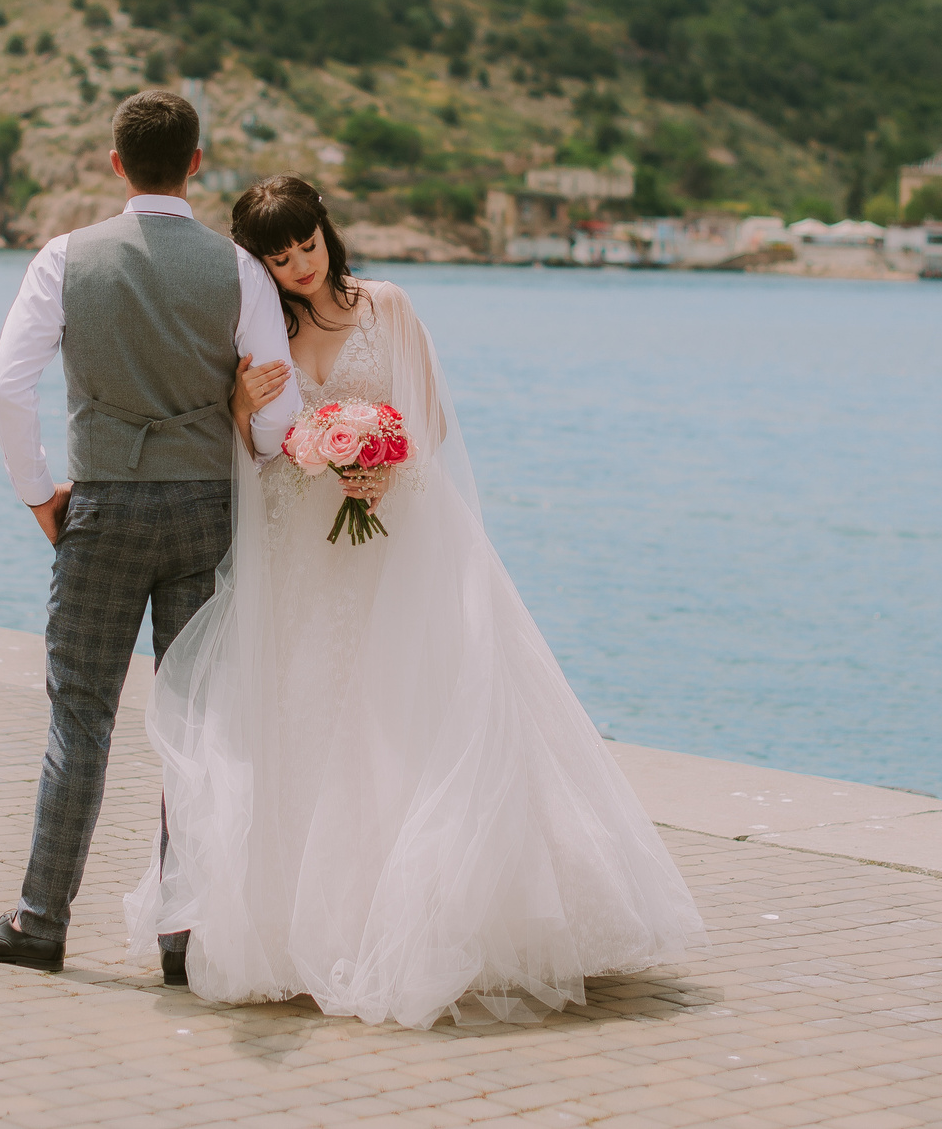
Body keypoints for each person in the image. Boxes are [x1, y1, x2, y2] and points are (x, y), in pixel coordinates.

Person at [122, 175, 705, 1029]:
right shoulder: (258, 327)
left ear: (328, 231)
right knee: (308, 716)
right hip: (298, 548)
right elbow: (258, 449)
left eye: (308, 247)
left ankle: (431, 920)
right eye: (279, 259)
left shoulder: (385, 305)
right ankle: (302, 929)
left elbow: (428, 419)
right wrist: (244, 412)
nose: (299, 268)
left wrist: (383, 459)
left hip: (394, 536)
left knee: (407, 710)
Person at [0, 91, 300, 980]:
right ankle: (181, 941)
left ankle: (40, 922)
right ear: (195, 163)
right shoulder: (238, 270)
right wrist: (246, 453)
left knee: (81, 720)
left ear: (115, 163)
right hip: (203, 513)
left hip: (101, 510)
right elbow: (278, 404)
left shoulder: (65, 259)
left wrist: (39, 495)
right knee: (193, 728)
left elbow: (5, 386)